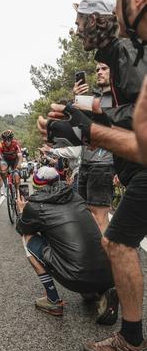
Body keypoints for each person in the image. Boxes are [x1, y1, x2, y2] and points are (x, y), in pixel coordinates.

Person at [38, 0, 147, 351]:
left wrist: (78, 125)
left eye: (81, 21)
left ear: (99, 21)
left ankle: (132, 340)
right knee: (117, 243)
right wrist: (70, 108)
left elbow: (134, 113)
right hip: (133, 167)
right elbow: (111, 103)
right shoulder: (116, 52)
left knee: (117, 243)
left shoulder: (124, 50)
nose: (77, 29)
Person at [15, 166, 117, 322]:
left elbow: (21, 228)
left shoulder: (35, 206)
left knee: (27, 236)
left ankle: (53, 300)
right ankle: (99, 290)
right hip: (107, 274)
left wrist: (23, 211)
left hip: (75, 277)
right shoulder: (76, 196)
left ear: (36, 185)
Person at [73, 62, 115, 232]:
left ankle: (104, 257)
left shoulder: (118, 97)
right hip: (85, 164)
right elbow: (78, 126)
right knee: (84, 215)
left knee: (99, 216)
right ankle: (94, 254)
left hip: (103, 164)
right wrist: (75, 99)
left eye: (104, 68)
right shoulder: (93, 98)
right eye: (97, 69)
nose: (99, 72)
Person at [0, 130, 23, 196]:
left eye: (8, 139)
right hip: (6, 160)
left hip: (15, 160)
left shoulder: (16, 144)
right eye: (5, 140)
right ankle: (5, 186)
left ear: (11, 139)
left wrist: (18, 167)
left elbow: (20, 157)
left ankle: (18, 192)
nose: (7, 142)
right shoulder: (0, 145)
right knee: (3, 170)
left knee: (16, 176)